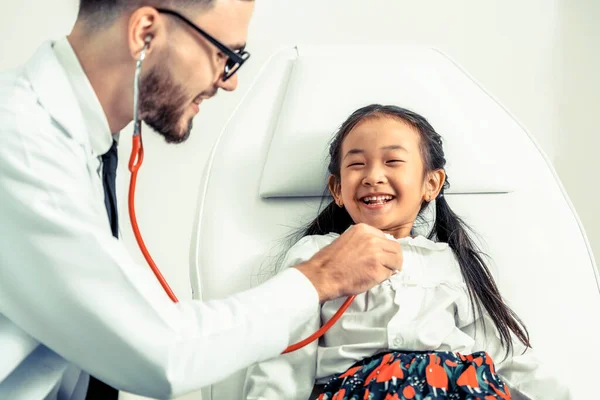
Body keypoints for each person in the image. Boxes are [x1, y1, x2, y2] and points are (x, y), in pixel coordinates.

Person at [0, 2, 402, 399]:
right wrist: (320, 277)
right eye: (224, 54)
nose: (229, 82)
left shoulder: (75, 143)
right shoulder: (18, 143)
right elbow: (161, 352)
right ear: (145, 33)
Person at [243, 104, 571, 399]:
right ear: (338, 189)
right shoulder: (318, 254)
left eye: (393, 161)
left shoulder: (449, 262)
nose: (373, 176)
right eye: (356, 164)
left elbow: (505, 357)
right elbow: (284, 356)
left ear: (431, 184)